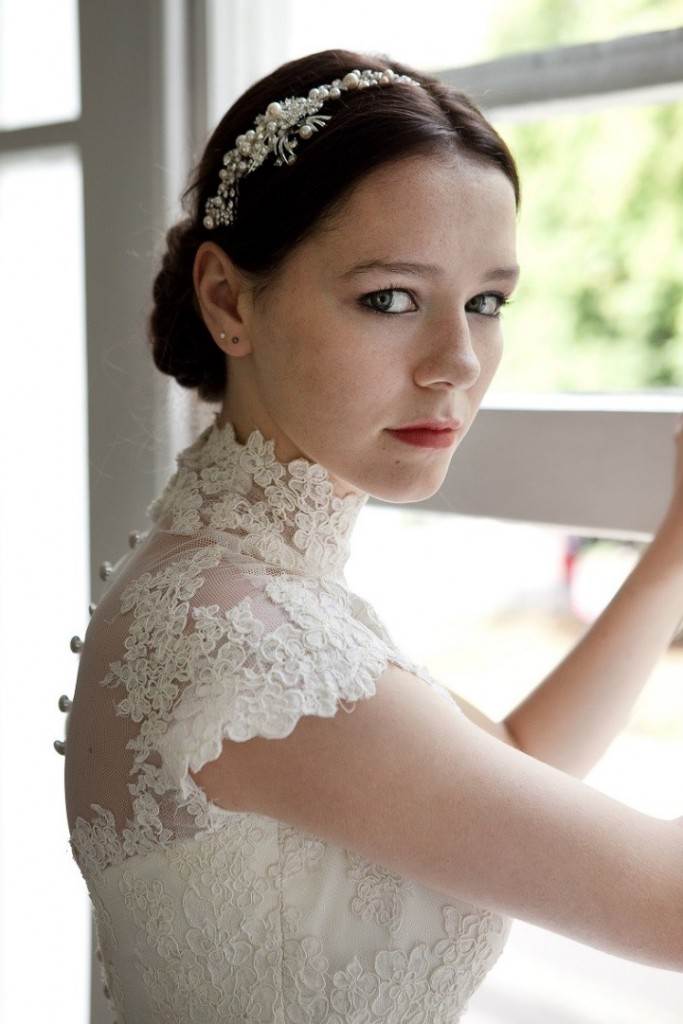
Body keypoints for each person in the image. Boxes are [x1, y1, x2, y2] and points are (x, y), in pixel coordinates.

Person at [63, 47, 683, 1023]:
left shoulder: (227, 582)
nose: (457, 362)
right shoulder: (240, 638)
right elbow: (666, 903)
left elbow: (513, 764)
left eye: (485, 301)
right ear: (228, 300)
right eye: (389, 298)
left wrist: (667, 565)